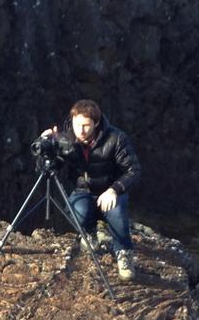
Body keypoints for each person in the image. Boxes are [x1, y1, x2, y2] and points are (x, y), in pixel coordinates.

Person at [44, 99, 142, 282]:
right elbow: (52, 170)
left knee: (117, 215)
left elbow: (134, 170)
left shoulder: (116, 138)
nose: (80, 130)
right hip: (83, 191)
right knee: (77, 211)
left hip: (111, 189)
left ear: (96, 123)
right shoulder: (67, 139)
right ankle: (90, 233)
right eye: (76, 124)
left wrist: (115, 189)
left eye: (86, 125)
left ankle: (124, 253)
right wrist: (47, 149)